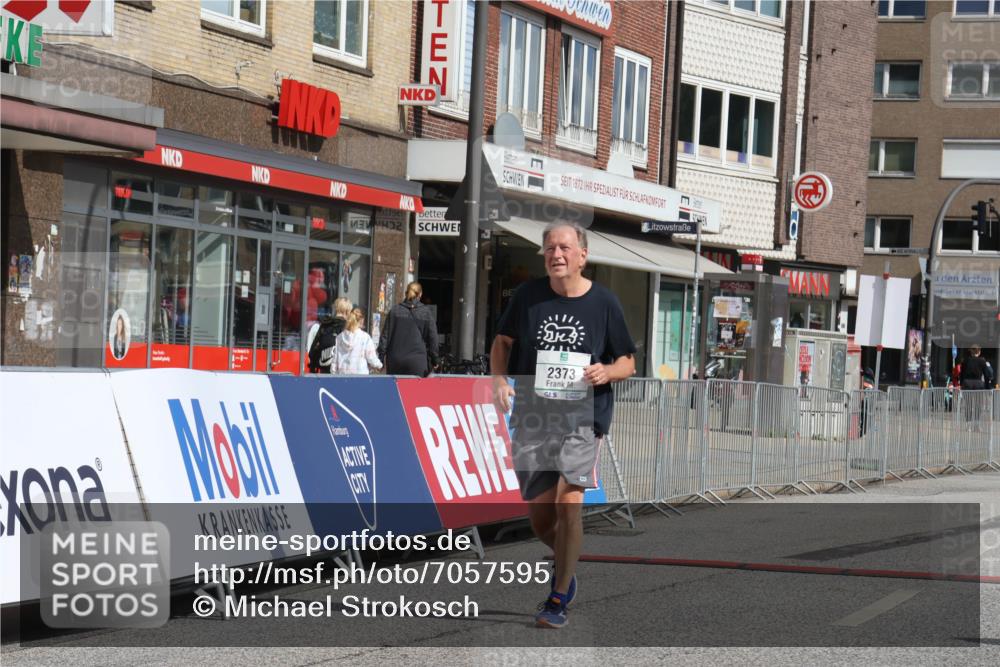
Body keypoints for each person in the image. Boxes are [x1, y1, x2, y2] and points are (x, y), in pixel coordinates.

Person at [490, 222, 636, 629]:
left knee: (568, 502)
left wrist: (607, 372)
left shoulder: (604, 303)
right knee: (539, 518)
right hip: (535, 417)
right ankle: (567, 571)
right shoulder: (527, 296)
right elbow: (502, 342)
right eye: (550, 247)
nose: (557, 254)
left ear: (582, 255)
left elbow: (628, 360)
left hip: (582, 418)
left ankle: (557, 597)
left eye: (565, 247)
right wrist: (499, 380)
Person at [377, 281, 439, 376]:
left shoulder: (395, 310)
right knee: (416, 391)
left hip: (395, 360)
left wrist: (380, 358)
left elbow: (385, 337)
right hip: (417, 361)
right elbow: (433, 339)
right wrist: (435, 360)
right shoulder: (426, 313)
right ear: (420, 294)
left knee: (395, 390)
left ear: (406, 293)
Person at [307, 297, 351, 373]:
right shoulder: (347, 327)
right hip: (341, 372)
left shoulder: (325, 324)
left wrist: (313, 366)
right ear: (347, 311)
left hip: (324, 369)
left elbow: (312, 350)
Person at [333, 308, 382, 375]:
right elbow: (371, 358)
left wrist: (333, 373)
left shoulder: (339, 337)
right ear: (361, 321)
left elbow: (335, 360)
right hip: (360, 376)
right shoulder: (365, 337)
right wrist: (380, 366)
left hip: (342, 376)